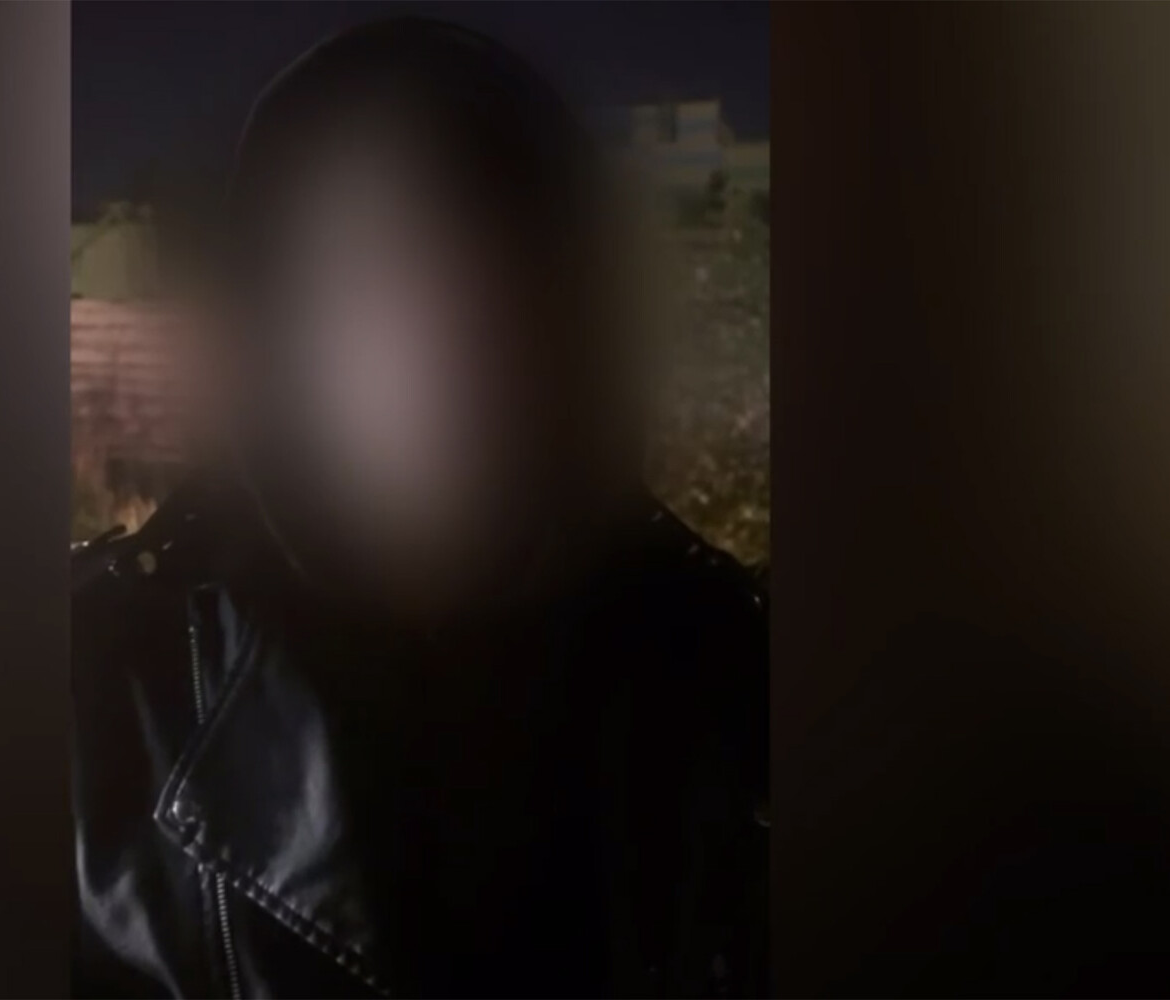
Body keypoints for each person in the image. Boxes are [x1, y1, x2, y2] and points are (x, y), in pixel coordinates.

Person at [72, 19, 767, 999]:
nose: (440, 344)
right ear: (283, 325)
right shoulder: (92, 711)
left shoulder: (738, 684)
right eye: (372, 272)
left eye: (498, 272)